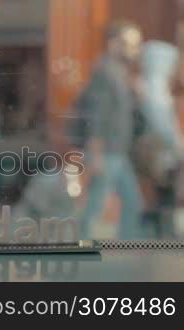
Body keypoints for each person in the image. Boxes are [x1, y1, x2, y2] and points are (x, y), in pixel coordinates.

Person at [79, 21, 144, 239]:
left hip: (118, 152)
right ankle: (79, 244)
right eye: (129, 43)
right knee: (98, 202)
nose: (134, 49)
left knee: (132, 200)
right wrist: (95, 154)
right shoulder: (105, 72)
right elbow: (97, 116)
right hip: (107, 152)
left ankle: (126, 245)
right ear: (113, 44)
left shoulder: (119, 73)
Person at [133, 41, 183, 238]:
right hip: (159, 150)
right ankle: (163, 231)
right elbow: (161, 122)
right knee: (165, 190)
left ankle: (160, 230)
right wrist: (178, 144)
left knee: (161, 191)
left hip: (153, 150)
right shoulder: (155, 87)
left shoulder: (148, 84)